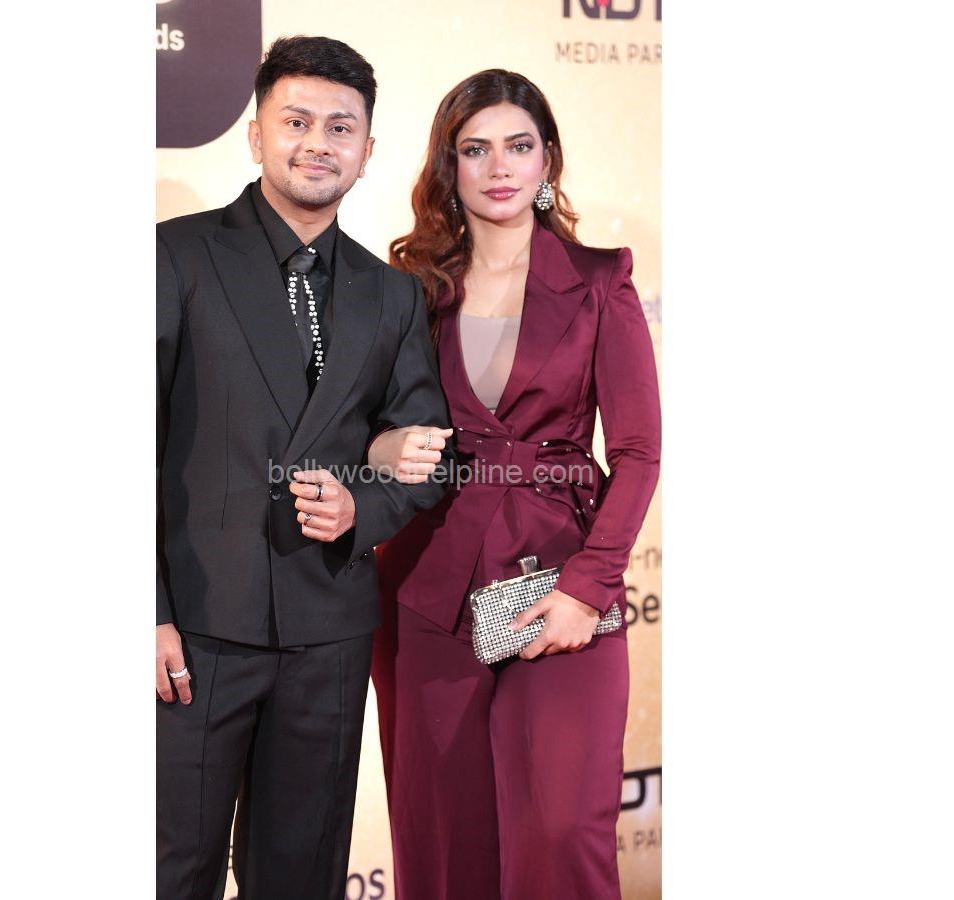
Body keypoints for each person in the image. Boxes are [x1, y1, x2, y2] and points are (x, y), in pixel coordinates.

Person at [156, 36, 453, 900]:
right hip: (195, 630)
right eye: (296, 122)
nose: (318, 143)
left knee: (303, 875)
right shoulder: (174, 256)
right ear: (256, 135)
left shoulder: (390, 292)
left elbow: (427, 454)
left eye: (340, 128)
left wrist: (362, 505)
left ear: (367, 149)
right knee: (173, 869)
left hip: (328, 631)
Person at [367, 69, 661, 900]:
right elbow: (366, 435)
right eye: (476, 149)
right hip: (429, 587)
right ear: (448, 165)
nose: (499, 167)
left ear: (547, 159)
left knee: (561, 832)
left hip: (560, 578)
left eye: (519, 145)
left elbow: (638, 451)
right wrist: (385, 449)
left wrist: (588, 589)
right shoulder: (409, 292)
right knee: (444, 845)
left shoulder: (600, 280)